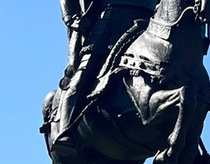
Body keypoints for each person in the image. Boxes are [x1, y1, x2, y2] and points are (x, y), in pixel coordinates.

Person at [52, 0, 157, 153]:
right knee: (83, 74)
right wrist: (72, 18)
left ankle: (190, 144)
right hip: (110, 24)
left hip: (151, 27)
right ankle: (66, 130)